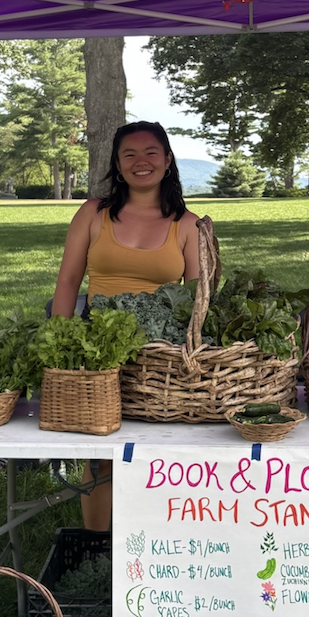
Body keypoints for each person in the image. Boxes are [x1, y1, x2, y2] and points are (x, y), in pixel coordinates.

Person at [52, 121, 200, 530]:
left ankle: (156, 539)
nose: (141, 162)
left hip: (162, 354)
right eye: (129, 154)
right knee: (101, 450)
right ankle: (96, 541)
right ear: (117, 165)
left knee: (162, 448)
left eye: (151, 152)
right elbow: (68, 282)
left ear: (167, 160)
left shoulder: (188, 225)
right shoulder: (93, 213)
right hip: (98, 347)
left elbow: (198, 301)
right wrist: (59, 344)